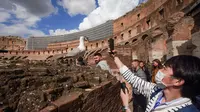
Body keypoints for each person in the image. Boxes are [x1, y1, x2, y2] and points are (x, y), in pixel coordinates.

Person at [113, 54, 200, 112]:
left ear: (178, 81)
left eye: (165, 69)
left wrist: (126, 106)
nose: (160, 70)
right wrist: (115, 57)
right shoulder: (157, 91)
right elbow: (133, 79)